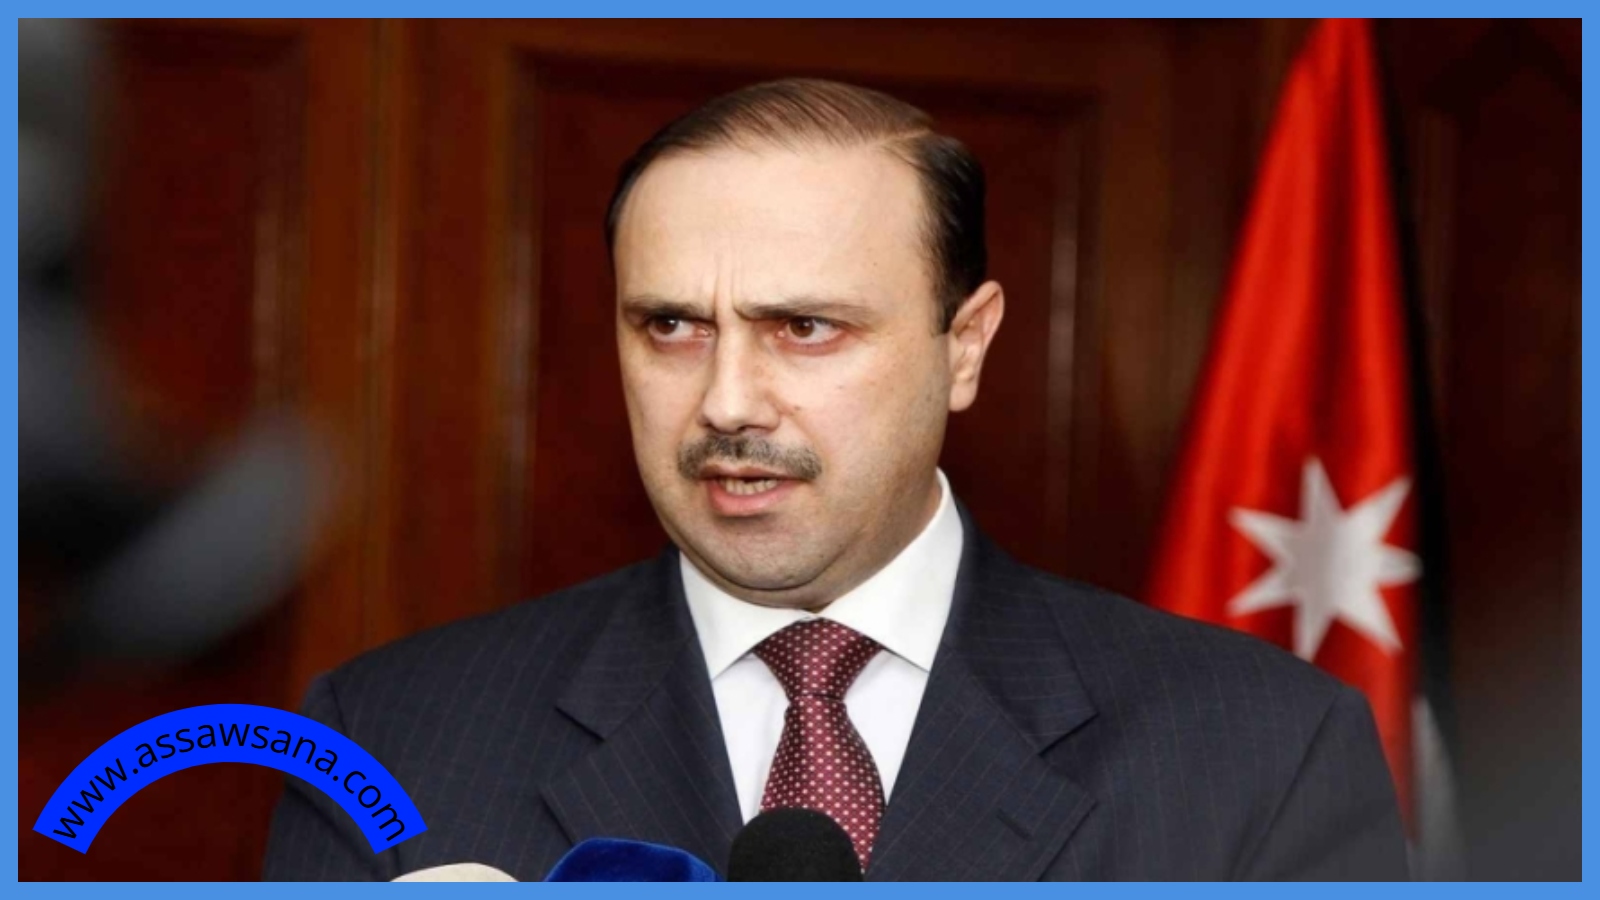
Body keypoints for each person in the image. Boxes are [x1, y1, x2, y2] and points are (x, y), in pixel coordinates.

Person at [263, 78, 1407, 881]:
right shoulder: (392, 738)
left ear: (965, 347)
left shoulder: (1261, 750)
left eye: (804, 328)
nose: (726, 401)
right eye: (671, 326)